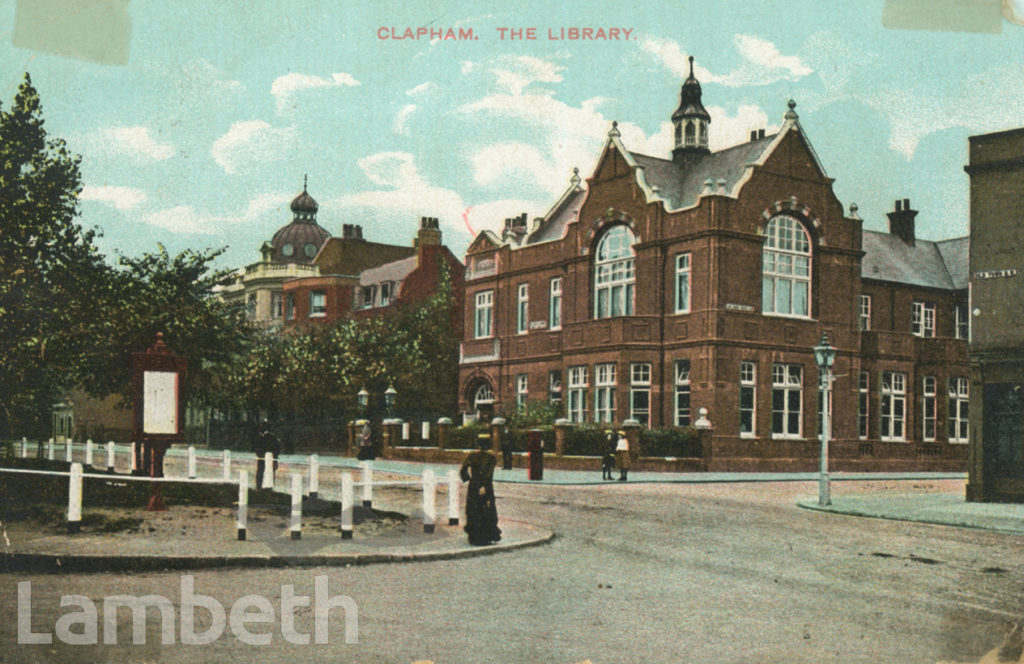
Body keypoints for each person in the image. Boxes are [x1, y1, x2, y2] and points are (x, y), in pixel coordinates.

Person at [460, 434, 502, 545]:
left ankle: (473, 536)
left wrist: (468, 478)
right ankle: (486, 536)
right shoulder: (491, 458)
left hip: (473, 485)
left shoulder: (472, 456)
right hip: (485, 486)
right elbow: (488, 474)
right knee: (487, 510)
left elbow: (463, 470)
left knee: (473, 509)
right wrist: (484, 486)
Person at [253, 423, 280, 488]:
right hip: (271, 458)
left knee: (260, 473)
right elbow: (277, 449)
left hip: (262, 458)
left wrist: (259, 455)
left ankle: (259, 487)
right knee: (270, 474)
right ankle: (269, 487)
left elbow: (257, 448)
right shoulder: (273, 437)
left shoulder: (260, 437)